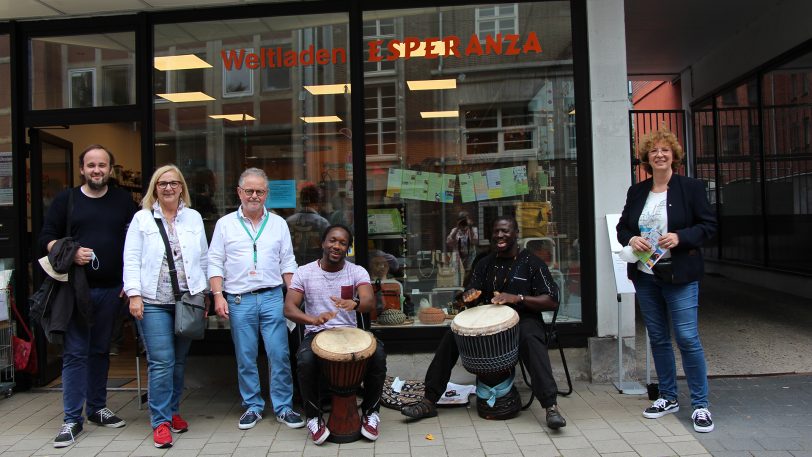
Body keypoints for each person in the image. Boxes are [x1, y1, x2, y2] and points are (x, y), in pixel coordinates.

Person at [401, 216, 566, 430]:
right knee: (452, 336)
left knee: (531, 339)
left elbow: (552, 300)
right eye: (496, 231)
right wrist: (469, 294)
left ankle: (550, 406)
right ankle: (429, 400)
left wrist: (518, 298)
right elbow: (471, 291)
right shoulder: (485, 263)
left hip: (523, 318)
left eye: (505, 231)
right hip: (488, 321)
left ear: (516, 233)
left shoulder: (532, 263)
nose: (500, 235)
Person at [616, 128, 717, 433]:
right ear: (646, 158)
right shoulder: (637, 191)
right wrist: (632, 238)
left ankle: (700, 405)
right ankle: (669, 397)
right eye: (653, 151)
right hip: (647, 276)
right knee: (658, 338)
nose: (659, 155)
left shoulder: (691, 188)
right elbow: (622, 228)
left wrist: (680, 237)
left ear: (674, 155)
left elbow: (709, 226)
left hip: (681, 275)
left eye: (665, 150)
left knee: (687, 338)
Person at [39, 145, 137, 448]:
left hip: (111, 291)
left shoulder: (123, 201)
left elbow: (137, 239)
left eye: (102, 165)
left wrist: (130, 282)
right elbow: (45, 239)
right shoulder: (66, 200)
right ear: (82, 169)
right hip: (74, 292)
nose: (97, 170)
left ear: (110, 169)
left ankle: (97, 408)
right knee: (75, 354)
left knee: (100, 351)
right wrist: (71, 251)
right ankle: (72, 418)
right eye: (91, 165)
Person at [208, 167, 305, 431]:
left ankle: (284, 407)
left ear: (267, 194)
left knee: (279, 354)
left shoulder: (279, 224)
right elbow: (215, 262)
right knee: (246, 355)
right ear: (239, 192)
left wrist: (294, 296)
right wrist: (218, 295)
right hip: (239, 299)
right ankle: (252, 406)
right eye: (249, 191)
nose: (254, 196)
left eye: (259, 191)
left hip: (273, 296)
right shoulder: (225, 224)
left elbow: (288, 262)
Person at [123, 165, 209, 448]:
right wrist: (134, 295)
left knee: (180, 361)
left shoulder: (193, 218)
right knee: (162, 362)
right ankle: (159, 421)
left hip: (187, 300)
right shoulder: (142, 219)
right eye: (162, 184)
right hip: (153, 301)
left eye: (173, 183)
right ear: (154, 188)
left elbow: (204, 259)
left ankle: (173, 411)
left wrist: (204, 294)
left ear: (182, 186)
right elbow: (131, 259)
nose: (168, 188)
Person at [283, 224, 386, 444]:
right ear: (323, 242)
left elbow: (369, 302)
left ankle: (371, 413)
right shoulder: (304, 272)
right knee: (305, 360)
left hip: (350, 334)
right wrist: (313, 319)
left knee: (378, 353)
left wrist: (355, 303)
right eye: (332, 240)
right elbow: (289, 309)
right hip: (317, 334)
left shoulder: (356, 271)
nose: (336, 246)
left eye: (342, 243)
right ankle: (313, 417)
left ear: (348, 248)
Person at [287, 184, 330, 265]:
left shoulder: (289, 222)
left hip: (294, 267)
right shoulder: (323, 223)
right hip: (317, 268)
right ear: (318, 201)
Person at [446, 211, 479, 280]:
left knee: (470, 277)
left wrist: (470, 227)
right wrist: (457, 228)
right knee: (457, 278)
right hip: (458, 259)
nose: (464, 223)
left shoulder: (473, 229)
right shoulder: (454, 230)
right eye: (462, 220)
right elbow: (449, 242)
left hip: (470, 258)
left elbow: (474, 241)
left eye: (465, 220)